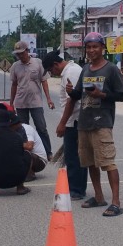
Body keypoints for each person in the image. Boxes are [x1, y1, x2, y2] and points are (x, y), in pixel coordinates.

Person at [60, 32, 123, 217]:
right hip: (84, 123)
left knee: (108, 163)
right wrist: (71, 91)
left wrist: (102, 95)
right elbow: (79, 95)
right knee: (90, 163)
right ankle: (98, 197)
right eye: (88, 47)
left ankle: (116, 202)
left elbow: (121, 95)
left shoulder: (111, 69)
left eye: (95, 46)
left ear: (102, 48)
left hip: (102, 123)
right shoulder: (86, 69)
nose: (91, 50)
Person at [44, 51, 88, 200]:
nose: (52, 73)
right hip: (74, 119)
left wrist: (62, 123)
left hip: (75, 120)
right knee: (75, 156)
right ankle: (77, 187)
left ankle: (76, 189)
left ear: (56, 65)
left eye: (51, 70)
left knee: (73, 157)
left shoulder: (72, 72)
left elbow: (72, 100)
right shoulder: (70, 71)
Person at [9, 41, 55, 158]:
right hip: (21, 102)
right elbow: (14, 85)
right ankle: (24, 152)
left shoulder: (38, 63)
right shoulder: (15, 66)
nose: (20, 56)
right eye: (18, 54)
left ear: (27, 51)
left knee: (41, 128)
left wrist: (49, 99)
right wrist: (11, 103)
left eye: (22, 53)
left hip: (36, 102)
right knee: (23, 129)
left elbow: (44, 81)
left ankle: (47, 152)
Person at [9, 113, 48, 182]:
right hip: (26, 158)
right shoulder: (13, 131)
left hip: (39, 161)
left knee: (25, 152)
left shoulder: (26, 129)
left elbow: (29, 146)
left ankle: (29, 174)